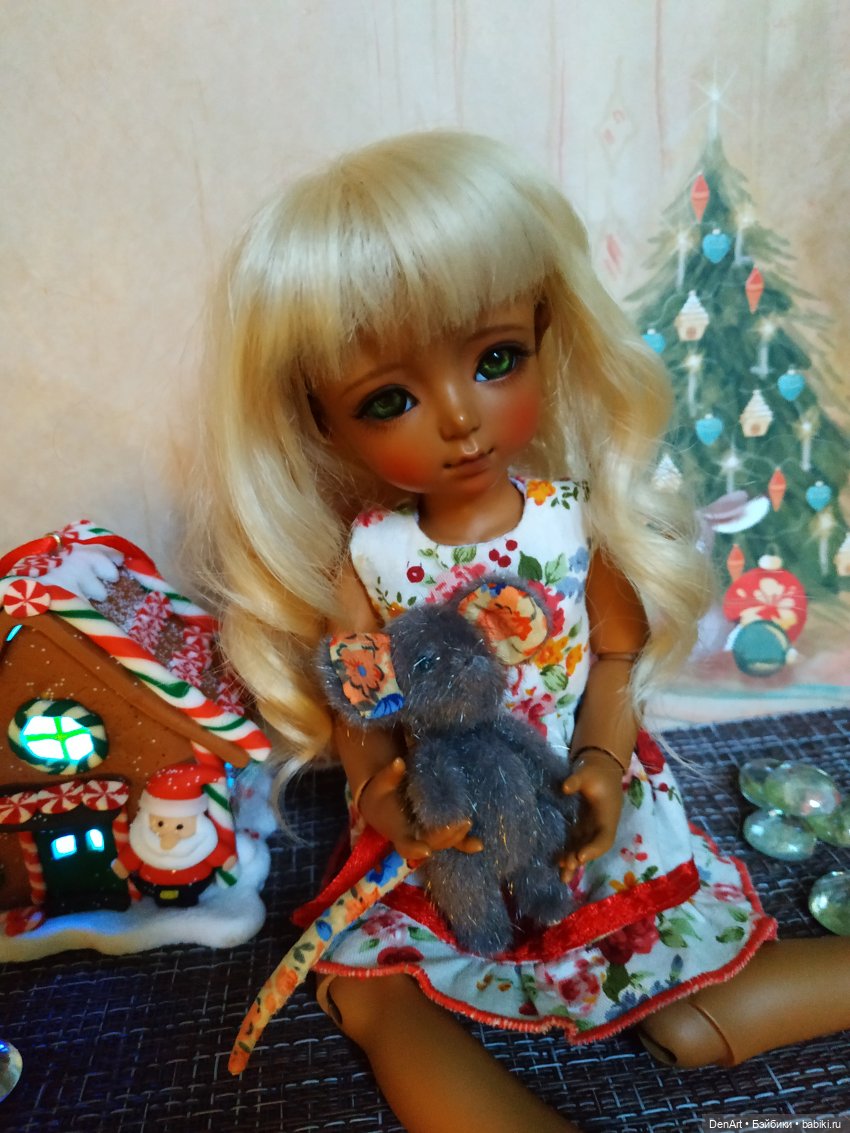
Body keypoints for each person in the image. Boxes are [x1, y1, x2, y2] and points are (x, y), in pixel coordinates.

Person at [199, 131, 850, 1133]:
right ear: (320, 421)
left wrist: (601, 763)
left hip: (580, 803)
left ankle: (713, 999)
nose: (460, 417)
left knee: (683, 1009)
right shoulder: (369, 556)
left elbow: (616, 655)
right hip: (447, 816)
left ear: (548, 333)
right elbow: (361, 701)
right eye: (389, 399)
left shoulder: (568, 521)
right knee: (376, 985)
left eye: (496, 358)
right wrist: (382, 795)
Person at [112, 763, 237, 907]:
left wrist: (224, 859)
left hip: (194, 883)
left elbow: (214, 852)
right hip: (152, 884)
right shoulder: (142, 841)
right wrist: (124, 864)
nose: (170, 833)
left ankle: (186, 902)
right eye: (160, 824)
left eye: (180, 826)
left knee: (188, 899)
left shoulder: (202, 841)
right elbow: (133, 854)